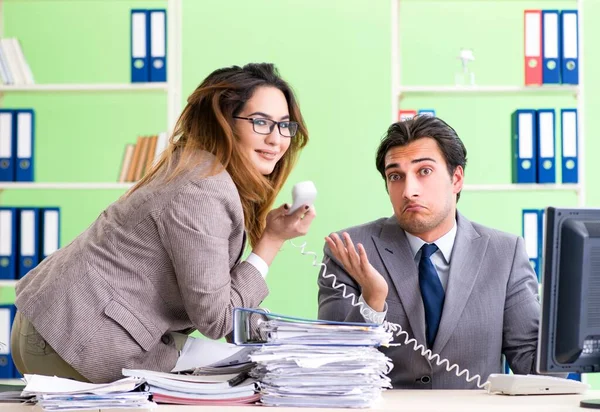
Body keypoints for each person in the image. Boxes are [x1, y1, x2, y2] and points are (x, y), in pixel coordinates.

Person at [11, 63, 316, 383]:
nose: (276, 140)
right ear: (223, 122)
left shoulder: (196, 168)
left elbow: (217, 293)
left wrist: (277, 338)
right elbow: (219, 319)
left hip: (54, 325)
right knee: (241, 382)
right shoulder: (203, 188)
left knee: (243, 372)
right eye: (260, 122)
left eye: (284, 125)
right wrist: (272, 241)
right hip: (76, 340)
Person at [317, 115, 539, 389]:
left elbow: (535, 369)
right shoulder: (349, 249)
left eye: (424, 171)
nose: (409, 191)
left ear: (456, 179)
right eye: (395, 176)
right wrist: (372, 302)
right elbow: (333, 368)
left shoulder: (505, 253)